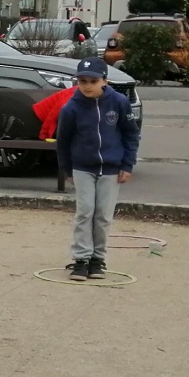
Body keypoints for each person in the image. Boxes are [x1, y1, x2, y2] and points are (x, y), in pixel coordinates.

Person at [55, 57, 139, 281]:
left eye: (93, 81)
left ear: (105, 80)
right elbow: (63, 140)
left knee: (103, 215)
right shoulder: (71, 108)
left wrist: (127, 164)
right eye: (82, 81)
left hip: (112, 168)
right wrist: (67, 168)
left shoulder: (119, 102)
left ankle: (97, 259)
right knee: (85, 211)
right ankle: (81, 259)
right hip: (82, 167)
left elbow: (131, 134)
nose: (87, 85)